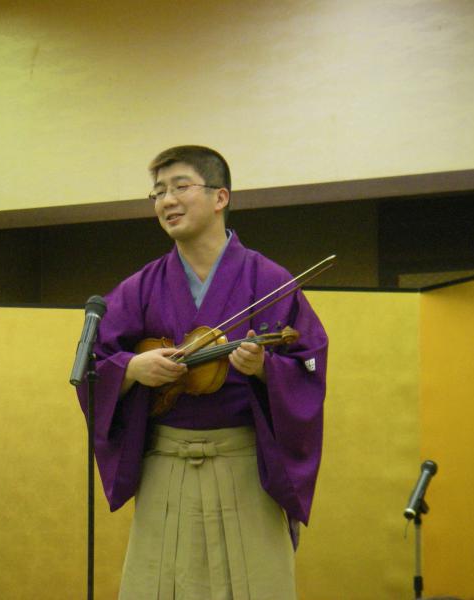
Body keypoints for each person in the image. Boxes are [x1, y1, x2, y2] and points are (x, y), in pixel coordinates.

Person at [76, 145, 328, 599]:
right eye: (158, 192)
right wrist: (131, 368)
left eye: (180, 187)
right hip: (165, 464)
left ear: (220, 197)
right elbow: (95, 366)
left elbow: (307, 364)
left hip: (242, 466)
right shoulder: (142, 286)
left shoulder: (269, 280)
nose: (167, 201)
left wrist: (265, 369)